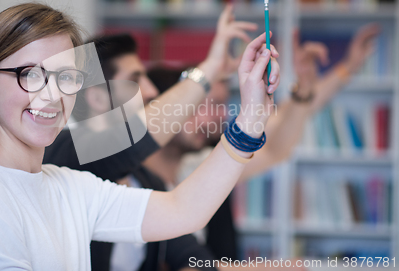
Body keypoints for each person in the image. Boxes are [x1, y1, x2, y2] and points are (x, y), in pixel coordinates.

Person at [0, 2, 280, 270]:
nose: (51, 95)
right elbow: (141, 131)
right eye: (30, 74)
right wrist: (208, 71)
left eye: (65, 77)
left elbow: (183, 209)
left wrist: (251, 116)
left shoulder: (69, 186)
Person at [142, 23, 380, 263]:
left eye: (221, 105)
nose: (217, 116)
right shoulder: (129, 185)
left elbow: (275, 145)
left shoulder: (193, 166)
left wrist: (324, 81)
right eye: (206, 104)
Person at [43, 6, 256, 270]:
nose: (151, 90)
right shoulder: (67, 152)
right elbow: (134, 137)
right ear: (97, 97)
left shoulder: (146, 180)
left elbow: (193, 258)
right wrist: (210, 68)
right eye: (135, 79)